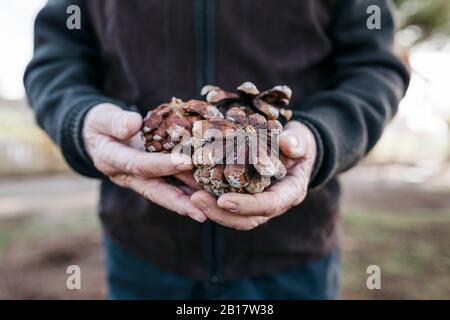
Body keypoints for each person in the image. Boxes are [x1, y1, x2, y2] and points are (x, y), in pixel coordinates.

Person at [24, 0, 409, 299]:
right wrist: (79, 118)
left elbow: (373, 66)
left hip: (293, 257)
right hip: (142, 253)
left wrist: (326, 135)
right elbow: (56, 57)